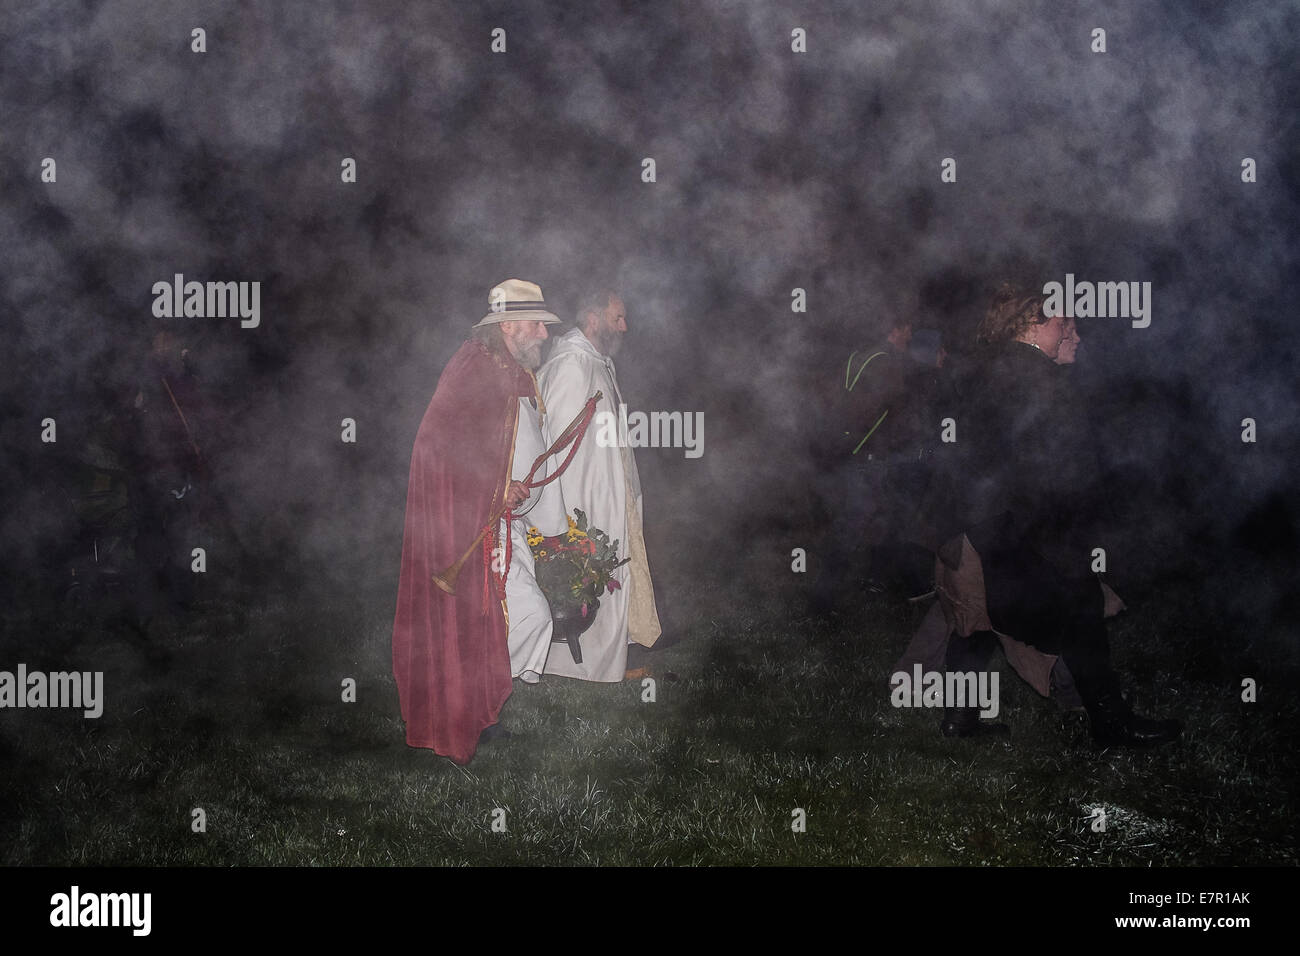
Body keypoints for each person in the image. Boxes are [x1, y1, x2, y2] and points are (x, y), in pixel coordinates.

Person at [928, 283, 1180, 746]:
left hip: (975, 525)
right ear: (1031, 324)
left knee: (976, 621)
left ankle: (960, 722)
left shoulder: (991, 368)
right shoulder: (1034, 382)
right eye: (1066, 322)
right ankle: (1113, 724)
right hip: (1017, 529)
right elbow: (1052, 472)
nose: (1076, 333)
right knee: (1079, 609)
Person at [392, 279, 569, 764]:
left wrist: (502, 485)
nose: (544, 333)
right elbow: (439, 448)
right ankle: (456, 714)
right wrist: (496, 489)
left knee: (486, 620)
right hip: (457, 524)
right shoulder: (474, 368)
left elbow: (487, 447)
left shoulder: (503, 368)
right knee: (475, 619)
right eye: (536, 323)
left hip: (482, 516)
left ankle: (478, 713)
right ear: (508, 325)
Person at [536, 289, 662, 681]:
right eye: (617, 318)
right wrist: (562, 510)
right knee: (589, 571)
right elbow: (552, 440)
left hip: (606, 489)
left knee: (614, 568)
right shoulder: (573, 363)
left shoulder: (595, 361)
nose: (624, 326)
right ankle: (584, 662)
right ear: (593, 319)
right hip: (582, 496)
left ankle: (614, 650)